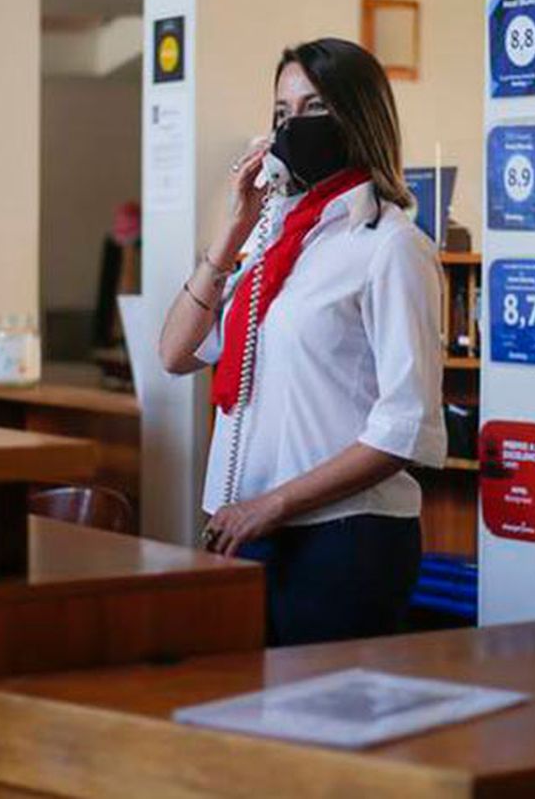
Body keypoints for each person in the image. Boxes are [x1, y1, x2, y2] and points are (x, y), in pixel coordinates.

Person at [158, 37, 446, 647]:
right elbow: (176, 352)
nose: (295, 128)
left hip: (344, 538)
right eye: (282, 115)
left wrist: (275, 504)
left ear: (359, 117)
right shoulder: (274, 242)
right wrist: (233, 227)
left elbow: (405, 428)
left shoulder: (390, 245)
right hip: (248, 530)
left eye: (314, 110)